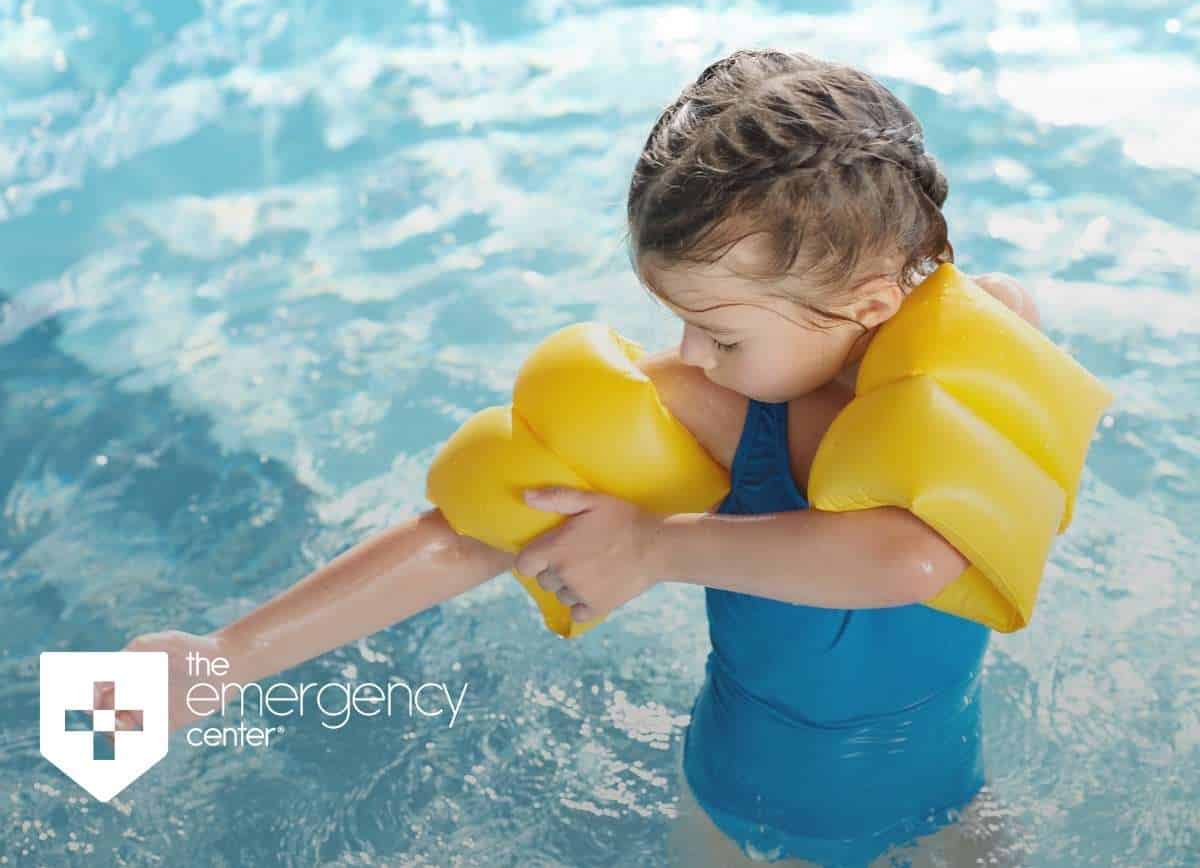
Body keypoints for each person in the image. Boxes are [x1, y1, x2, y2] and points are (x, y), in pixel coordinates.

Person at [119, 49, 1040, 867]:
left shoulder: (987, 348)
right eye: (680, 320)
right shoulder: (709, 409)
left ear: (872, 306)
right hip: (743, 825)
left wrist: (656, 546)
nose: (687, 354)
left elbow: (916, 556)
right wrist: (226, 658)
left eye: (719, 331)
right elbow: (477, 532)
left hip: (948, 800)